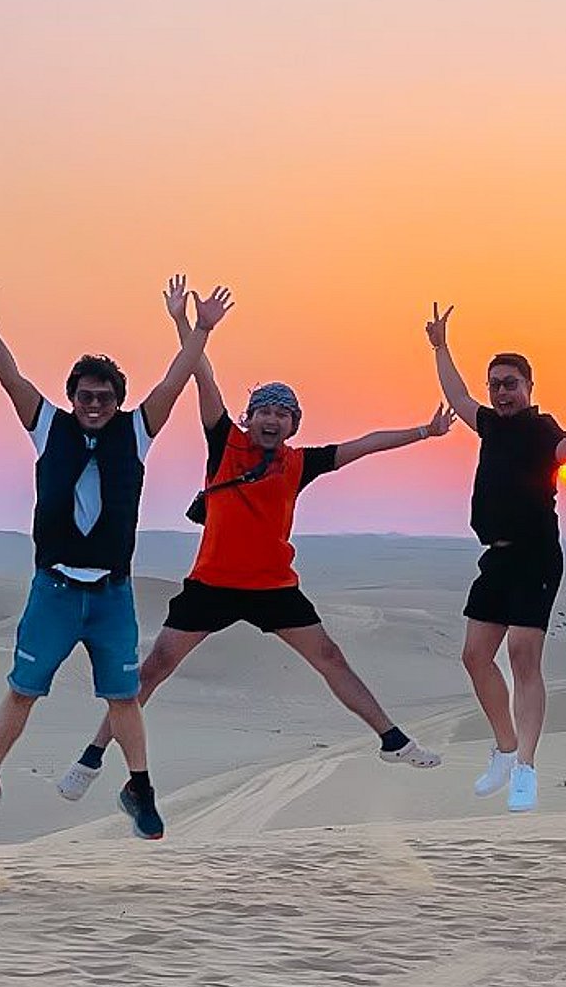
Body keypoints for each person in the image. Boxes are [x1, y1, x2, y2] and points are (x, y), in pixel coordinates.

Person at [58, 276, 449, 807]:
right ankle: (91, 757)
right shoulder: (225, 441)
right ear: (250, 417)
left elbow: (363, 445)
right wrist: (187, 323)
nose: (272, 418)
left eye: (283, 413)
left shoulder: (299, 462)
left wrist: (423, 432)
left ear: (293, 425)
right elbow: (201, 376)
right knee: (154, 669)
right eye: (265, 410)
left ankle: (393, 741)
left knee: (330, 656)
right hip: (211, 585)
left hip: (272, 587)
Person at [0, 275, 232, 841]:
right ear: (72, 397)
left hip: (111, 595)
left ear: (117, 400)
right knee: (23, 689)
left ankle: (140, 789)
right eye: (85, 396)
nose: (93, 405)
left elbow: (174, 379)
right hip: (54, 591)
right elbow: (10, 377)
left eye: (104, 397)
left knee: (123, 696)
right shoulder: (47, 426)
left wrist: (200, 330)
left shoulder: (137, 430)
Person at [427, 302, 566, 813]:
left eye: (510, 383)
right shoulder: (489, 425)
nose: (501, 392)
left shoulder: (540, 428)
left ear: (529, 386)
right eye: (495, 385)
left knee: (522, 655)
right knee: (474, 656)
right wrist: (441, 347)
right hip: (496, 558)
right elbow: (457, 396)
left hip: (536, 556)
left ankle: (526, 768)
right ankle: (505, 748)